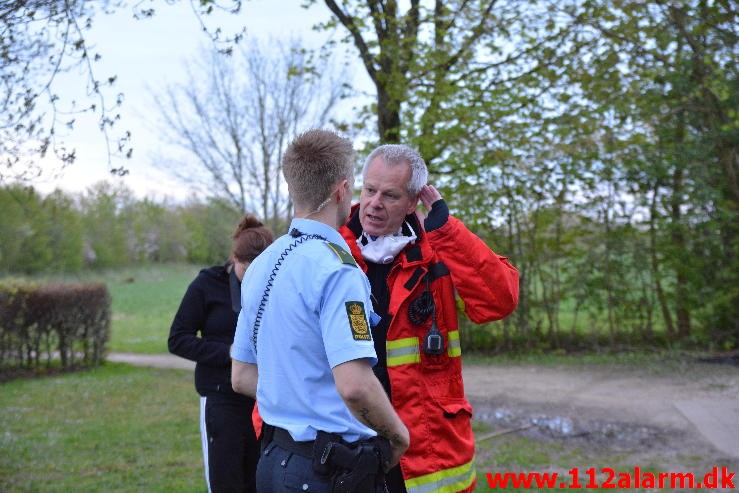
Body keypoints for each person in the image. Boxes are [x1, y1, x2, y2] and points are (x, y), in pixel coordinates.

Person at [231, 128, 410, 493]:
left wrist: (297, 399)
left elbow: (241, 376)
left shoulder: (263, 263)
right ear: (341, 190)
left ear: (291, 187)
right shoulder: (338, 271)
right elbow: (355, 386)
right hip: (326, 473)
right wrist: (398, 436)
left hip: (273, 463)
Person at [338, 144, 520, 493]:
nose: (374, 203)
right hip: (350, 436)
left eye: (389, 195)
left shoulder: (439, 249)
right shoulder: (333, 249)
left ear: (412, 201)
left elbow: (499, 301)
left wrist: (448, 231)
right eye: (369, 189)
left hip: (426, 447)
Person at [168, 214, 274, 493]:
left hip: (265, 399)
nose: (254, 280)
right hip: (221, 398)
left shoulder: (276, 283)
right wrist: (229, 352)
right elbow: (177, 339)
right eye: (246, 270)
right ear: (234, 259)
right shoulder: (207, 284)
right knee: (226, 483)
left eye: (260, 272)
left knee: (261, 482)